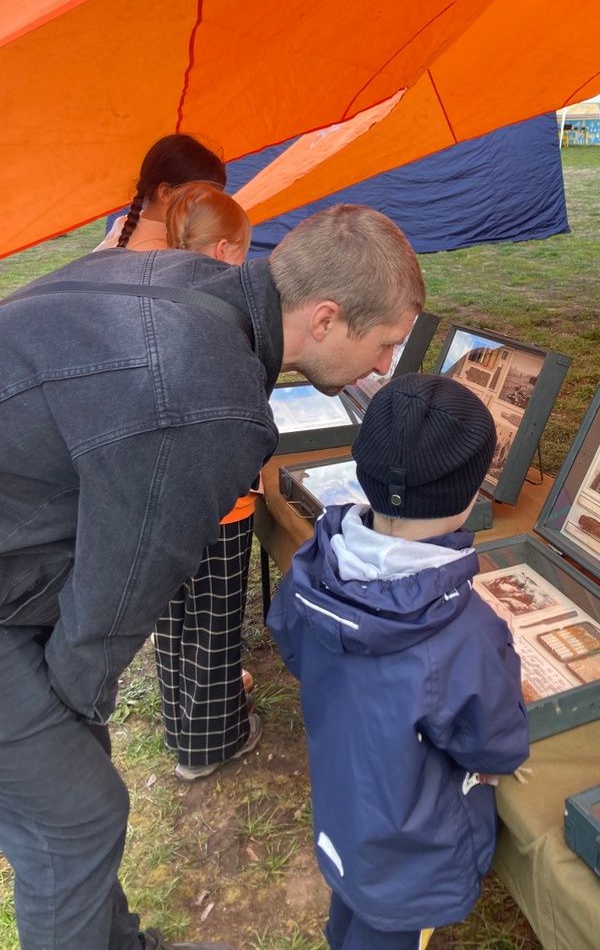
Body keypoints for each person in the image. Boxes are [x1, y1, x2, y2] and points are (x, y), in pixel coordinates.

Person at [0, 201, 425, 950]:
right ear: (325, 318)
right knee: (74, 818)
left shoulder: (186, 276)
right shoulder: (208, 402)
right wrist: (69, 722)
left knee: (69, 798)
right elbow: (115, 601)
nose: (387, 367)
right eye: (386, 343)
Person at [268, 373, 529, 950]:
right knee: (387, 931)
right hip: (414, 850)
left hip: (348, 803)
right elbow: (495, 745)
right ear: (471, 491)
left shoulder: (314, 568)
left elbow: (289, 638)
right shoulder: (465, 634)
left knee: (353, 907)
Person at [122, 181, 261, 781]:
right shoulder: (221, 312)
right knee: (216, 618)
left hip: (160, 491)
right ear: (228, 251)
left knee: (175, 614)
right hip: (219, 500)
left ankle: (183, 717)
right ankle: (208, 745)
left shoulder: (150, 289)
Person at [95, 133, 227, 251]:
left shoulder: (125, 224)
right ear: (166, 194)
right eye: (202, 200)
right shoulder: (159, 253)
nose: (210, 211)